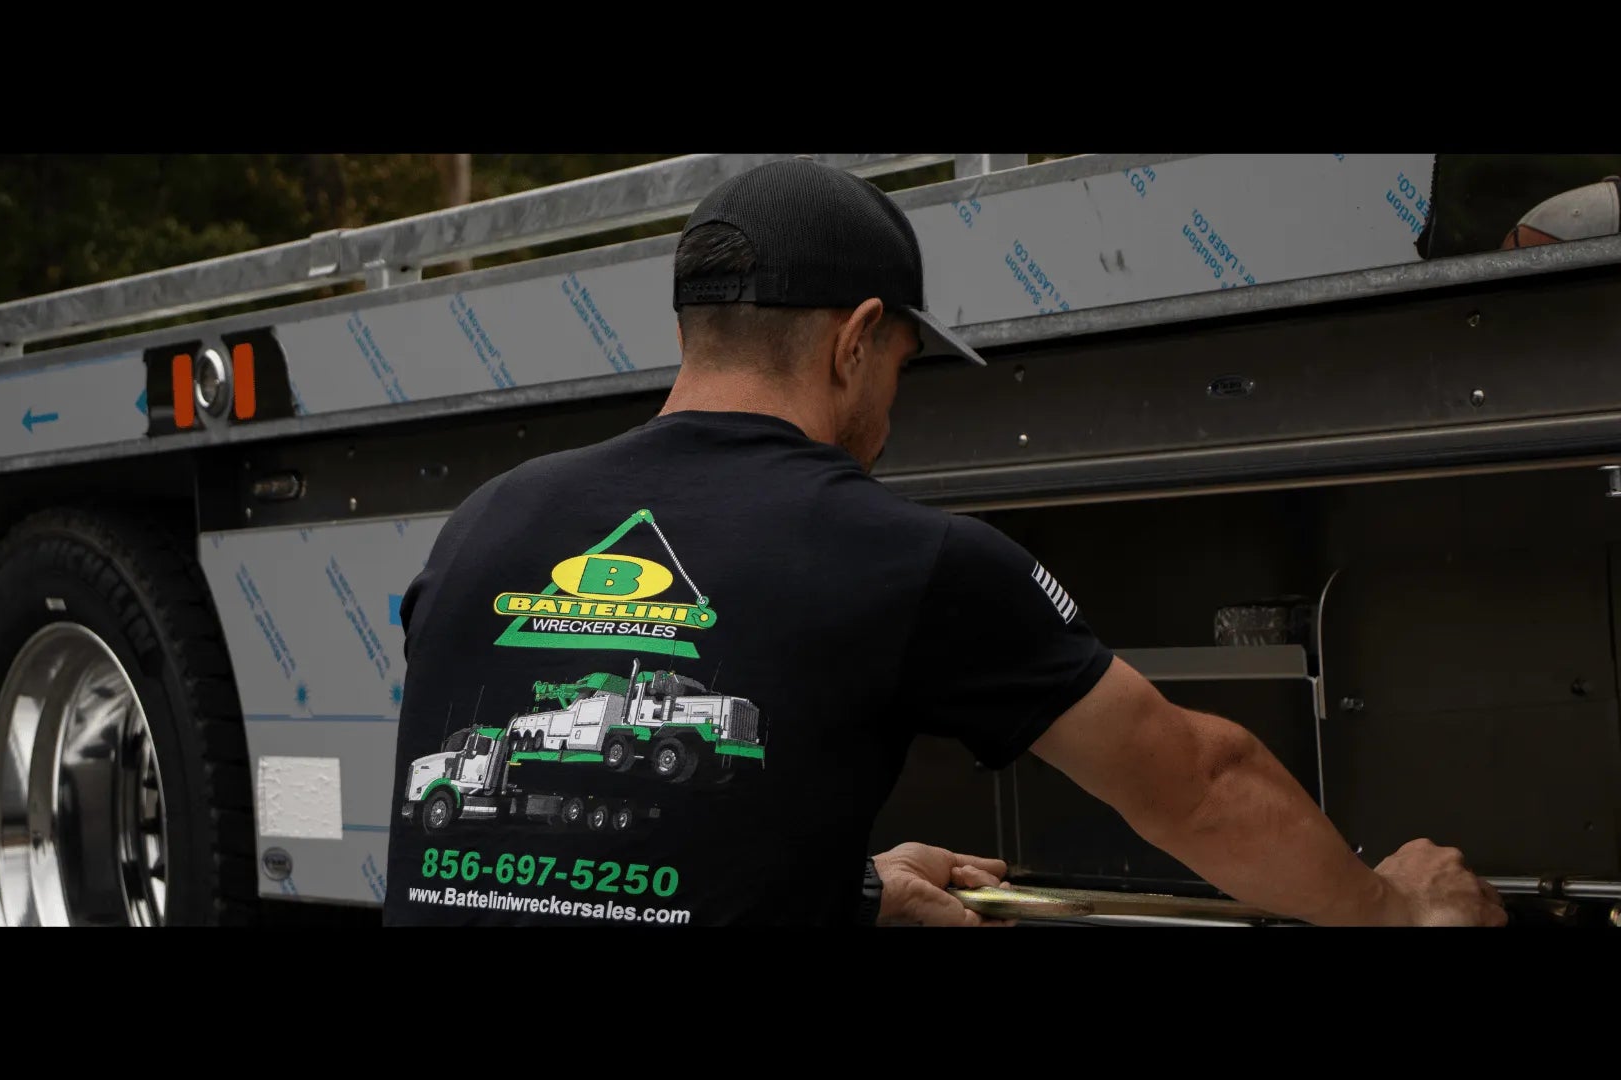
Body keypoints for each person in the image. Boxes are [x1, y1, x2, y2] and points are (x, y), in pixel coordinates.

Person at [381, 158, 1507, 928]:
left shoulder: (487, 522)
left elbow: (569, 854)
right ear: (858, 340)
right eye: (904, 368)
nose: (892, 409)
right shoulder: (902, 557)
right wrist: (1388, 907)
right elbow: (1201, 783)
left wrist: (853, 896)